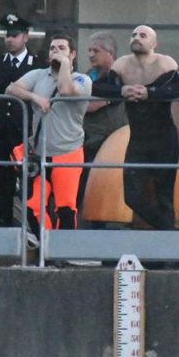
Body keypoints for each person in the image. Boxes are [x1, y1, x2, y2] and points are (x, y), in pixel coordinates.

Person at [91, 25, 179, 230]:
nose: (137, 38)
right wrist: (122, 90)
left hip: (165, 138)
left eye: (143, 35)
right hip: (138, 139)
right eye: (134, 34)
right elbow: (98, 87)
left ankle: (168, 251)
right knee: (131, 195)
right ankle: (168, 231)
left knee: (165, 196)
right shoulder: (122, 65)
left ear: (154, 43)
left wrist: (150, 93)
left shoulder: (165, 62)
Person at [7, 33, 92, 232]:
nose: (56, 51)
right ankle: (45, 245)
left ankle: (63, 253)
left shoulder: (82, 79)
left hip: (68, 152)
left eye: (62, 48)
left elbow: (65, 90)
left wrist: (63, 65)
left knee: (65, 208)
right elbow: (12, 89)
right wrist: (34, 97)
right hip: (40, 153)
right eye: (53, 48)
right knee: (32, 205)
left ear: (73, 54)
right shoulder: (38, 75)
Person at [0, 12, 40, 226]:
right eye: (7, 35)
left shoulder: (37, 63)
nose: (9, 39)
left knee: (30, 181)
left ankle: (32, 226)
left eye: (14, 34)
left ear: (25, 37)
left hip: (26, 132)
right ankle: (2, 222)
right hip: (2, 132)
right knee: (2, 180)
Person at [78, 31, 127, 220]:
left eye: (95, 51)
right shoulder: (89, 75)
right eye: (89, 50)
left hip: (113, 140)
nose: (90, 55)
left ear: (110, 52)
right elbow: (83, 104)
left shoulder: (122, 75)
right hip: (90, 139)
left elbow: (90, 105)